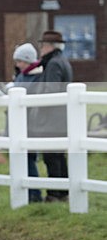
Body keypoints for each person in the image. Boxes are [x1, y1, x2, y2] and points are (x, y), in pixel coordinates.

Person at [30, 30, 73, 202]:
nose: (41, 49)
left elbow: (51, 89)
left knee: (51, 157)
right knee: (59, 156)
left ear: (49, 46)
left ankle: (55, 192)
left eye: (42, 45)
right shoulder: (62, 61)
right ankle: (63, 191)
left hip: (52, 119)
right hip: (61, 117)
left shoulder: (53, 63)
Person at [8, 42, 43, 203]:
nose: (18, 64)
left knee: (29, 159)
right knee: (23, 159)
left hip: (29, 123)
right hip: (20, 122)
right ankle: (30, 193)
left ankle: (34, 193)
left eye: (20, 61)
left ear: (28, 60)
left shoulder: (37, 77)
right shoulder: (23, 75)